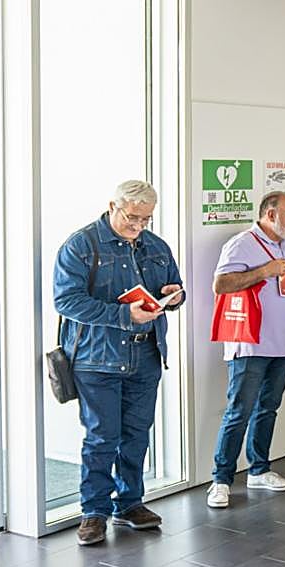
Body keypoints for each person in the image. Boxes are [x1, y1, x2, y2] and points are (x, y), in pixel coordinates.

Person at [53, 180, 184, 546]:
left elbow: (175, 285)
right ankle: (93, 511)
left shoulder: (155, 245)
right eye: (132, 217)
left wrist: (176, 296)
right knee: (101, 437)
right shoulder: (81, 245)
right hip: (97, 359)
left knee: (137, 434)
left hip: (146, 355)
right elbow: (66, 301)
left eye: (146, 219)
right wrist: (125, 315)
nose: (138, 226)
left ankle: (129, 503)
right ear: (113, 205)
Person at [206, 192, 285, 509]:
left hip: (284, 344)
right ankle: (221, 479)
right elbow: (221, 284)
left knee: (267, 408)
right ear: (271, 214)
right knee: (239, 411)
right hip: (250, 343)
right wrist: (263, 271)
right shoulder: (242, 243)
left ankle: (259, 469)